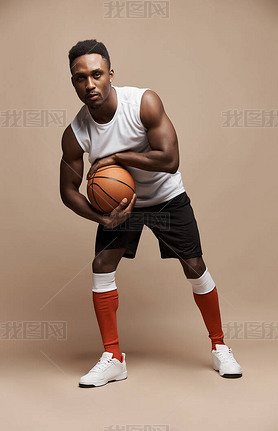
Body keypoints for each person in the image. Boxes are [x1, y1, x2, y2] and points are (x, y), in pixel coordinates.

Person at [60, 39, 242, 388]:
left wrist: (117, 158)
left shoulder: (143, 102)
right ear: (74, 83)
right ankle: (113, 358)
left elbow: (170, 160)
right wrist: (103, 219)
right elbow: (68, 191)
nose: (90, 84)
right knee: (101, 266)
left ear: (110, 74)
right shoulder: (75, 132)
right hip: (118, 206)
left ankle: (220, 346)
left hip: (164, 196)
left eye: (97, 74)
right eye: (80, 78)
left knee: (194, 266)